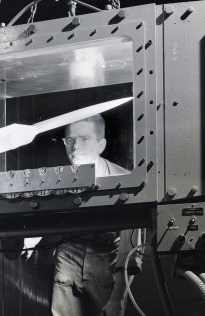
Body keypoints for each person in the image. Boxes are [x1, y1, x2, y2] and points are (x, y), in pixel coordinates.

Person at [51, 114, 142, 316]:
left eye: (84, 139)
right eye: (70, 140)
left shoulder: (124, 181)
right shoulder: (56, 180)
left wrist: (117, 299)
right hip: (68, 254)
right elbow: (43, 211)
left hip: (108, 258)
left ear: (101, 145)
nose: (75, 147)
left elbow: (130, 251)